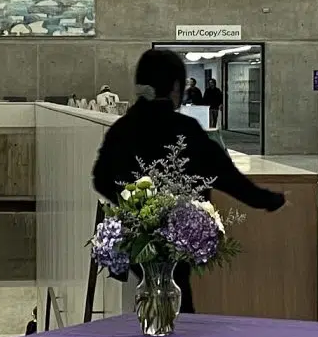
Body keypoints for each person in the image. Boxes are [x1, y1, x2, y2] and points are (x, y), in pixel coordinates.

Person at [94, 48, 288, 214]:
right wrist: (270, 200)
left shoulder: (121, 130)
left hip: (133, 247)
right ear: (176, 86)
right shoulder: (187, 130)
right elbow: (228, 178)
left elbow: (101, 179)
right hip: (185, 246)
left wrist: (139, 209)